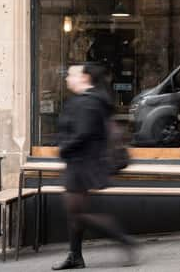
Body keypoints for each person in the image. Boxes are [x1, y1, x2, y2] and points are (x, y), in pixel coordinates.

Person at [53, 63, 137, 270]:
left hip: (82, 165)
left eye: (71, 74)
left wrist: (63, 149)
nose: (67, 78)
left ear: (84, 78)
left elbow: (83, 133)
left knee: (77, 213)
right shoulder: (89, 100)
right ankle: (75, 256)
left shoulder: (87, 103)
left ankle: (122, 238)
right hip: (82, 163)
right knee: (75, 213)